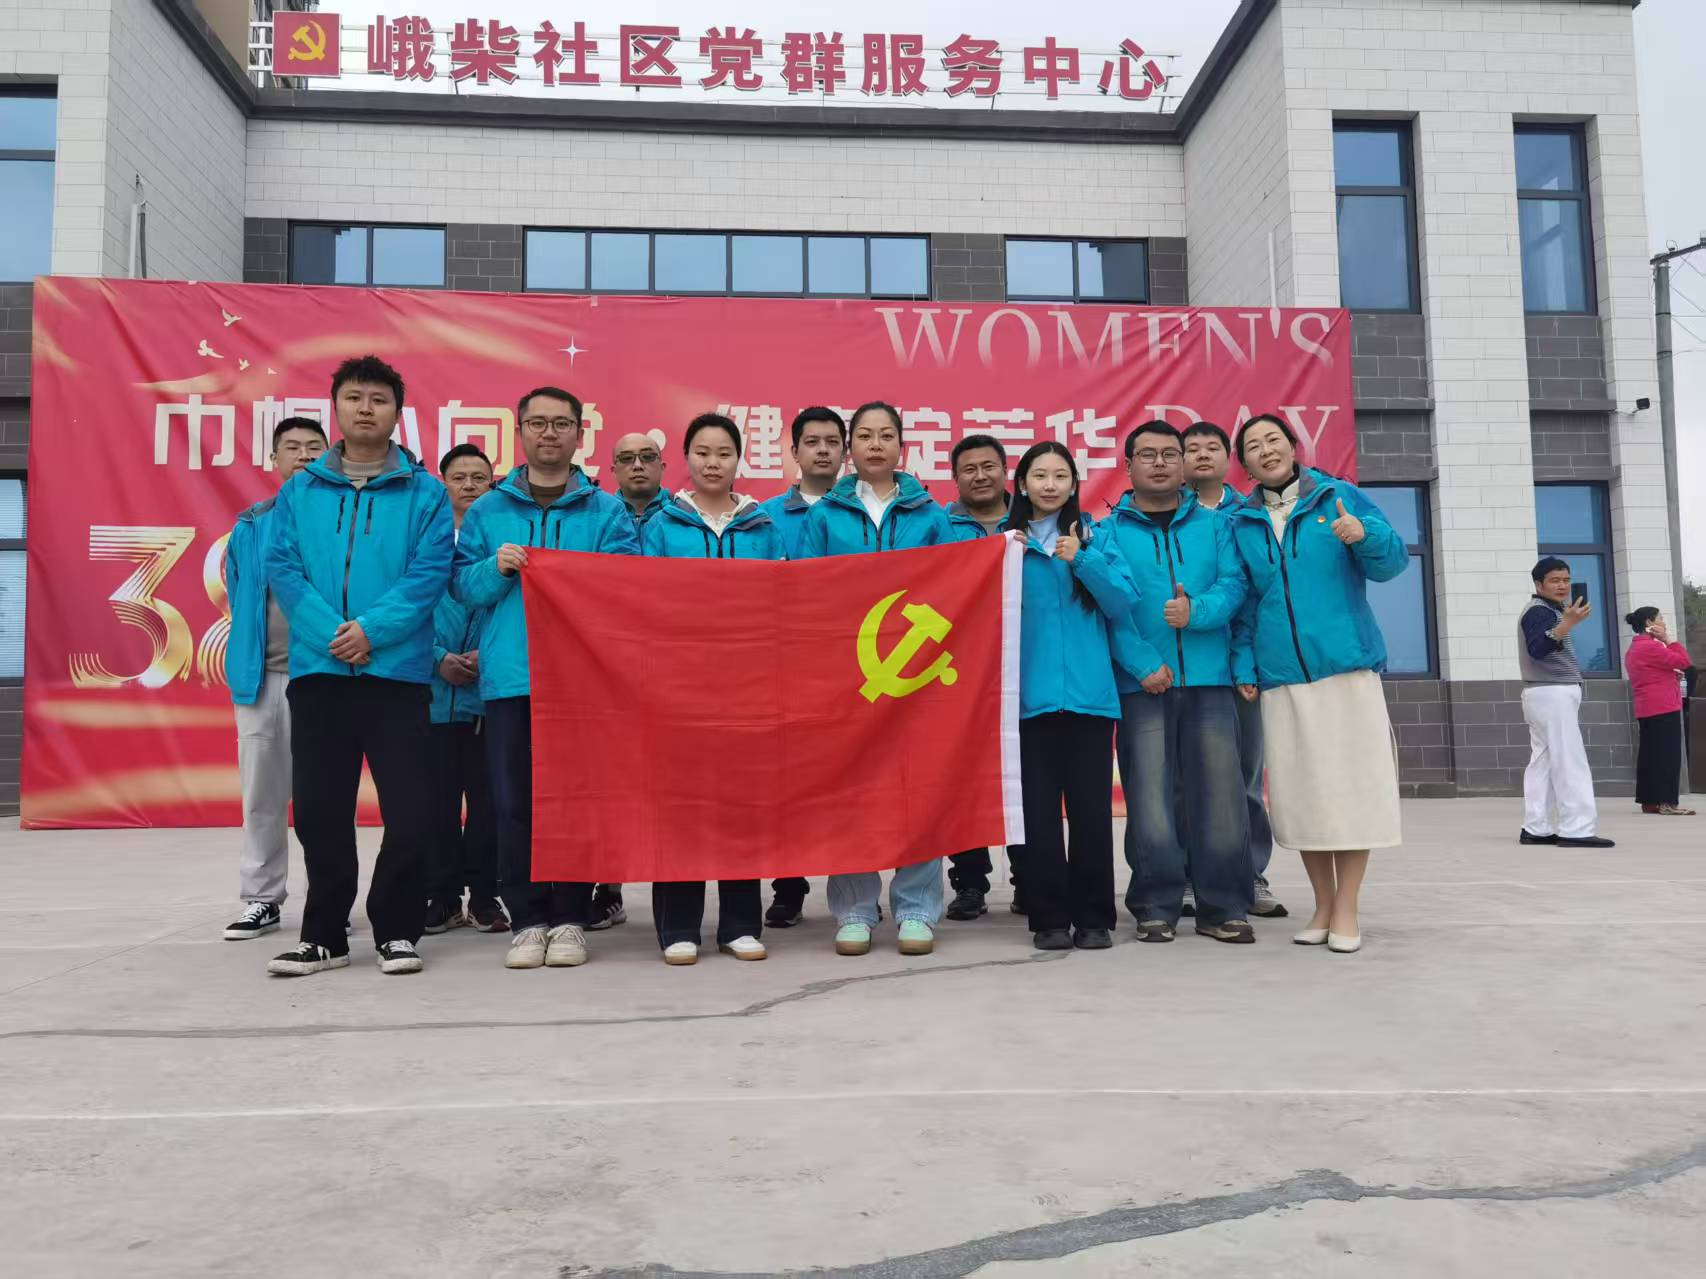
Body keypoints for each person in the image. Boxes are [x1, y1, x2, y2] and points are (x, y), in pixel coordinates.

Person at [264, 357, 454, 977]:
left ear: (397, 412)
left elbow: (429, 575)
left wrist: (371, 631)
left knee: (412, 812)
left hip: (396, 676)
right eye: (354, 397)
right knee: (320, 812)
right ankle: (324, 936)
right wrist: (333, 635)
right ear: (336, 407)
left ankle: (397, 929)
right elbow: (284, 569)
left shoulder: (425, 493)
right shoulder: (300, 491)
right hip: (320, 675)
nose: (365, 408)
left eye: (378, 398)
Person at [454, 386, 641, 970]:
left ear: (580, 434)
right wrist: (496, 568)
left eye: (561, 423)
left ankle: (570, 917)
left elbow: (624, 584)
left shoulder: (605, 511)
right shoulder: (488, 511)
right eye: (538, 423)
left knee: (578, 802)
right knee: (514, 804)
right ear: (520, 432)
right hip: (512, 679)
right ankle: (528, 919)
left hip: (582, 682)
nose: (549, 433)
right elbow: (462, 586)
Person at [1227, 414, 1409, 954]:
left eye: (1273, 440)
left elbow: (1391, 562)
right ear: (1245, 463)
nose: (1266, 451)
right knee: (1304, 797)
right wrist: (1245, 665)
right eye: (1253, 446)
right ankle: (1323, 904)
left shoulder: (1337, 497)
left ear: (1293, 446)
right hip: (1282, 678)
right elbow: (1246, 604)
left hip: (1344, 671)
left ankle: (1347, 906)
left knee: (1351, 794)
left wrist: (1365, 535)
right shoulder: (1243, 521)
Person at [797, 401, 952, 956]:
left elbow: (954, 583)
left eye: (886, 435)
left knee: (918, 789)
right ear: (850, 449)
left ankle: (917, 908)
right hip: (848, 675)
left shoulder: (930, 515)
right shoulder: (824, 516)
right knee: (851, 787)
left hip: (914, 674)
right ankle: (855, 909)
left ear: (902, 446)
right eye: (865, 435)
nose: (876, 445)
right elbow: (806, 591)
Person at [1101, 421, 1255, 944]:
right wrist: (1142, 664)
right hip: (1142, 686)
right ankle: (1155, 904)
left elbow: (1235, 584)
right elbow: (1110, 608)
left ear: (1184, 464)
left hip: (1210, 680)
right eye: (1148, 454)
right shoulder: (1108, 532)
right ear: (1129, 466)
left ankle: (1223, 906)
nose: (1161, 463)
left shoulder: (1215, 526)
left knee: (1222, 798)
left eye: (1170, 453)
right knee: (1149, 800)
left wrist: (1199, 612)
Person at [642, 413, 787, 964]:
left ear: (738, 460)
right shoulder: (660, 526)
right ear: (686, 458)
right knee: (680, 804)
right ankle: (678, 926)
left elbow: (784, 600)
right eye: (702, 452)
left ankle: (741, 924)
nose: (712, 463)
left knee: (740, 803)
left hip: (747, 686)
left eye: (723, 453)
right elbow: (641, 600)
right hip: (679, 688)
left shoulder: (763, 527)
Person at [1004, 441, 1136, 950]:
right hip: (1026, 703)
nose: (1050, 484)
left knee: (1091, 816)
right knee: (1037, 818)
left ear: (1074, 485)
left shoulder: (1095, 538)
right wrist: (1004, 558)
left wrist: (1083, 560)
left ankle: (1095, 918)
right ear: (1022, 484)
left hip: (1089, 700)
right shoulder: (1005, 546)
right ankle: (1049, 919)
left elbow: (1123, 601)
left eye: (1061, 476)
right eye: (1040, 475)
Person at [222, 416, 327, 940]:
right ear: (274, 459)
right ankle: (262, 898)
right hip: (262, 678)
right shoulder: (250, 525)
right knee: (262, 794)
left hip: (324, 677)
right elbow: (239, 591)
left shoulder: (341, 519)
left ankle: (328, 901)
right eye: (293, 447)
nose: (303, 456)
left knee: (323, 798)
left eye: (314, 448)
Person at [1183, 419, 1285, 919]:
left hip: (1243, 670)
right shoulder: (1168, 517)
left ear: (1231, 460)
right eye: (1192, 448)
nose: (1202, 455)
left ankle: (1251, 873)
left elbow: (1255, 599)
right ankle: (1187, 877)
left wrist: (1246, 663)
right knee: (1186, 780)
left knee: (1245, 778)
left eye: (1212, 447)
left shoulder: (1250, 517)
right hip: (1189, 669)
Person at [757, 407, 847, 928]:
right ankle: (787, 888)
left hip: (850, 666)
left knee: (850, 777)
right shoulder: (767, 517)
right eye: (812, 442)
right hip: (786, 666)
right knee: (785, 783)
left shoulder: (860, 511)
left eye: (832, 441)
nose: (822, 450)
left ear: (845, 451)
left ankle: (854, 888)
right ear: (794, 451)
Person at [423, 443, 507, 936]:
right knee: (435, 804)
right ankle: (442, 896)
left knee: (488, 805)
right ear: (444, 484)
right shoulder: (426, 539)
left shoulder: (498, 538)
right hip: (433, 696)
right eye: (460, 477)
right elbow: (409, 608)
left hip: (487, 696)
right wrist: (438, 659)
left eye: (480, 477)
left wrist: (484, 657)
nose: (470, 485)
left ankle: (485, 896)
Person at [942, 432, 1020, 921]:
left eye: (988, 466)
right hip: (959, 670)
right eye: (968, 469)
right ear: (955, 478)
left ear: (1005, 471)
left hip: (1020, 665)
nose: (980, 476)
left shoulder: (1033, 520)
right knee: (962, 778)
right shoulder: (939, 526)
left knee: (1023, 777)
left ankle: (1028, 878)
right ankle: (969, 883)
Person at [1517, 558, 1616, 848]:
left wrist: (1566, 621)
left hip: (1543, 693)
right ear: (1539, 585)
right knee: (1569, 760)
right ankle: (1577, 829)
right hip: (1553, 693)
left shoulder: (1548, 610)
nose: (1562, 586)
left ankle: (1535, 827)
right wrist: (1568, 623)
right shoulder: (1539, 611)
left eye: (1566, 580)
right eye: (1555, 580)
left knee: (1543, 763)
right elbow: (1538, 649)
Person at [1624, 606, 1694, 816]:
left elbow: (1650, 675)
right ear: (1649, 622)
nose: (1664, 622)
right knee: (1667, 756)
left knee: (1651, 755)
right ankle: (1666, 802)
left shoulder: (1635, 648)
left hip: (1648, 707)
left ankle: (1650, 801)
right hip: (1663, 706)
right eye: (1660, 618)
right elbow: (1684, 661)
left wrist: (1671, 676)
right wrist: (1668, 640)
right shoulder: (1652, 647)